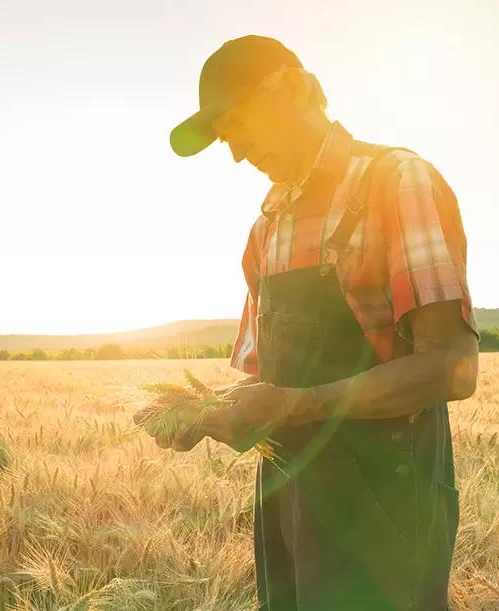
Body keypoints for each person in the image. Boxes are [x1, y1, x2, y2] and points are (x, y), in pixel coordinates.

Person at [137, 35, 479, 610]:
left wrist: (294, 406)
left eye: (238, 122)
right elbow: (269, 380)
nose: (237, 153)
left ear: (295, 87)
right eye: (224, 138)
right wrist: (201, 412)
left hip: (386, 507)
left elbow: (451, 369)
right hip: (289, 500)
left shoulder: (395, 182)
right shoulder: (266, 228)